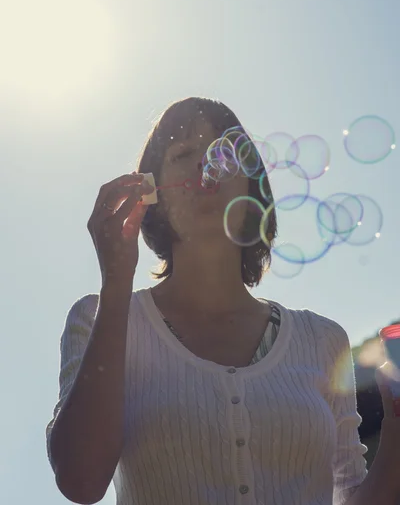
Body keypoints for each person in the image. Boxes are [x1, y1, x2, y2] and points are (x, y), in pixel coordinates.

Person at [46, 97, 370, 505]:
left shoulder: (323, 339)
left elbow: (353, 494)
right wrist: (116, 281)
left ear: (252, 188)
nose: (206, 168)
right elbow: (80, 480)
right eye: (183, 154)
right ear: (153, 197)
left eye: (223, 153)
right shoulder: (98, 319)